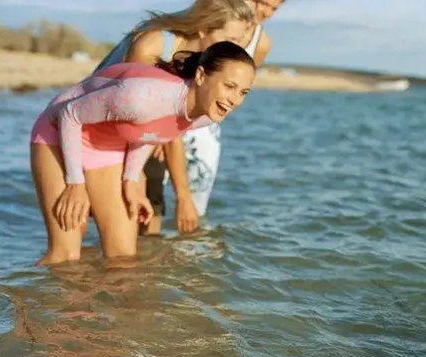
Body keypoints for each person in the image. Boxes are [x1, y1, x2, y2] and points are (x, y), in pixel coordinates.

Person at [29, 41, 257, 266]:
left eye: (243, 92)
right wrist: (75, 183)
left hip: (109, 147)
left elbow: (153, 132)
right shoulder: (141, 97)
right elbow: (69, 114)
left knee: (123, 258)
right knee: (66, 256)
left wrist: (130, 180)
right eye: (229, 86)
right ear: (200, 75)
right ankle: (11, 300)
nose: (235, 100)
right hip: (59, 132)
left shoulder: (206, 114)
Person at [95, 0, 285, 237]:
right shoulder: (155, 44)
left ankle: (150, 259)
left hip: (151, 126)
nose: (236, 48)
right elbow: (138, 111)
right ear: (204, 28)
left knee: (147, 208)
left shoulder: (203, 58)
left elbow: (174, 119)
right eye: (233, 40)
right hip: (102, 126)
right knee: (120, 215)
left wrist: (182, 193)